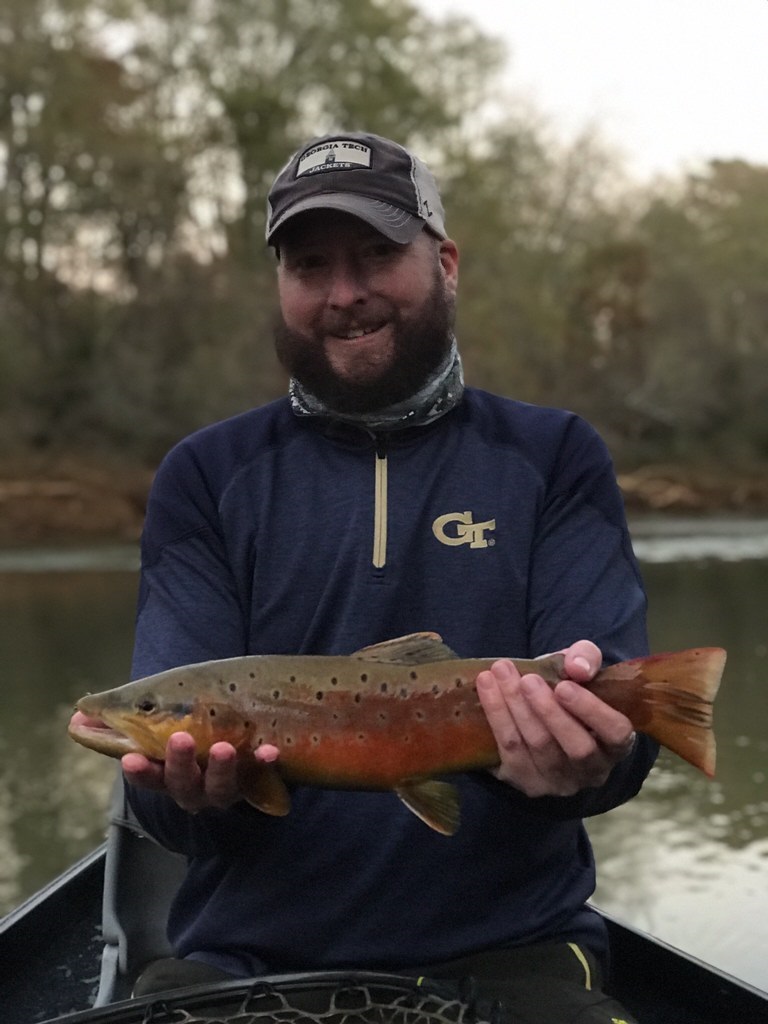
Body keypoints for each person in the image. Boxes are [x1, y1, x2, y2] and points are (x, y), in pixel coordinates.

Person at [73, 131, 655, 1023]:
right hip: (243, 957)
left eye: (378, 255)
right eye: (311, 265)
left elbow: (618, 750)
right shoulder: (203, 475)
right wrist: (187, 799)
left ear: (446, 262)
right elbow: (176, 819)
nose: (344, 294)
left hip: (519, 947)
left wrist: (591, 754)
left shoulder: (555, 455)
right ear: (281, 286)